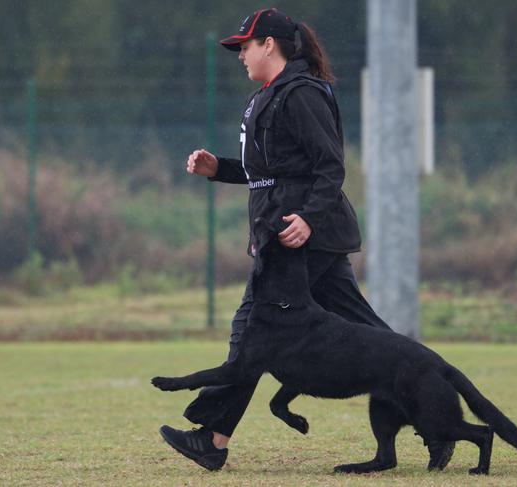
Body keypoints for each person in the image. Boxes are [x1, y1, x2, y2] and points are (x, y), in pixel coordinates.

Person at [159, 8, 401, 471]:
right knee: (371, 335)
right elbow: (269, 174)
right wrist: (220, 169)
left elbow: (329, 166)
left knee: (252, 329)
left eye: (245, 46)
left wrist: (308, 219)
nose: (241, 56)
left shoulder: (301, 93)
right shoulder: (266, 96)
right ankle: (434, 406)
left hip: (303, 238)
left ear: (269, 44)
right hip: (291, 236)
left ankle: (212, 438)